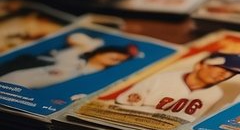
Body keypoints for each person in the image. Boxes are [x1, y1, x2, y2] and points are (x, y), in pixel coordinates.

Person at [115, 51, 240, 123]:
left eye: (232, 74)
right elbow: (121, 105)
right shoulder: (162, 78)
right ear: (200, 65)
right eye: (221, 69)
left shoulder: (216, 93)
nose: (224, 76)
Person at [0, 32, 140, 89]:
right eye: (117, 54)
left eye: (121, 60)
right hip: (11, 80)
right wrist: (89, 45)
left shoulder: (94, 76)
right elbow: (75, 38)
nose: (118, 58)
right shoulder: (71, 58)